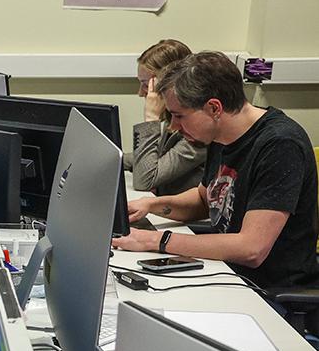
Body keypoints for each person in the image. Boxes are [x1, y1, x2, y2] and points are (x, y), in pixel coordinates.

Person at [114, 52, 319, 290]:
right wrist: (151, 205)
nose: (174, 126)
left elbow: (251, 249)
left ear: (214, 108)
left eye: (179, 116)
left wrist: (155, 240)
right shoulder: (220, 135)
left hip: (267, 291)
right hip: (224, 271)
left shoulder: (280, 145)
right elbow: (205, 199)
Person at [122, 39, 208, 196]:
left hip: (186, 210)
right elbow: (156, 158)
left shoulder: (197, 129)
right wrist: (108, 159)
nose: (140, 93)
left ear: (166, 83)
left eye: (146, 85)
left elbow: (144, 180)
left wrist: (151, 118)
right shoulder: (172, 120)